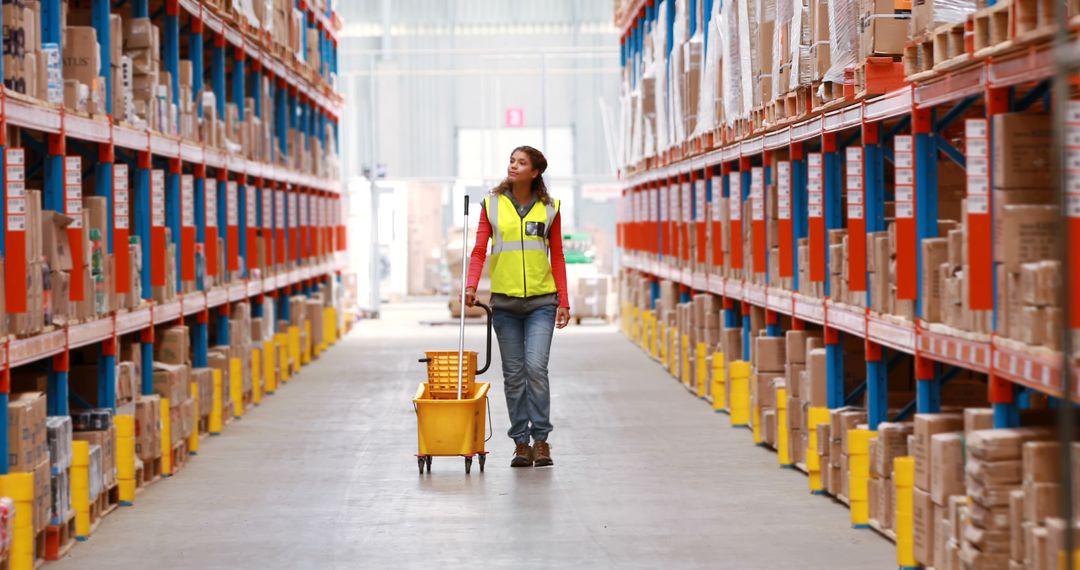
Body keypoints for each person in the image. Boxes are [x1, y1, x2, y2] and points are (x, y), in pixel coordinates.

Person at [465, 146, 570, 468]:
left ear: (535, 171)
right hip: (506, 304)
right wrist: (470, 285)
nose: (514, 166)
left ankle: (541, 440)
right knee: (513, 376)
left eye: (521, 162)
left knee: (535, 369)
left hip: (541, 302)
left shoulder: (549, 208)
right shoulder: (492, 205)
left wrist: (563, 301)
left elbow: (559, 256)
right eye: (512, 160)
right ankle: (520, 444)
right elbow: (480, 250)